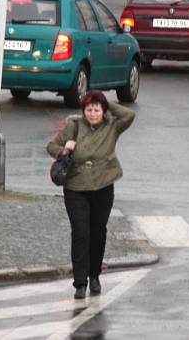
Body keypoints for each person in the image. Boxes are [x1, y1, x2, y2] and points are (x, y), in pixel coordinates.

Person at [46, 91, 135, 299]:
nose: (93, 114)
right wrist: (64, 150)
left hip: (103, 187)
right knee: (80, 233)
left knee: (98, 233)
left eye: (97, 109)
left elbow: (129, 115)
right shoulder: (74, 126)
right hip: (76, 187)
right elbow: (51, 146)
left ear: (103, 111)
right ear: (83, 111)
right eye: (89, 109)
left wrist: (108, 103)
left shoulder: (112, 126)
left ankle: (94, 274)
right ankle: (80, 282)